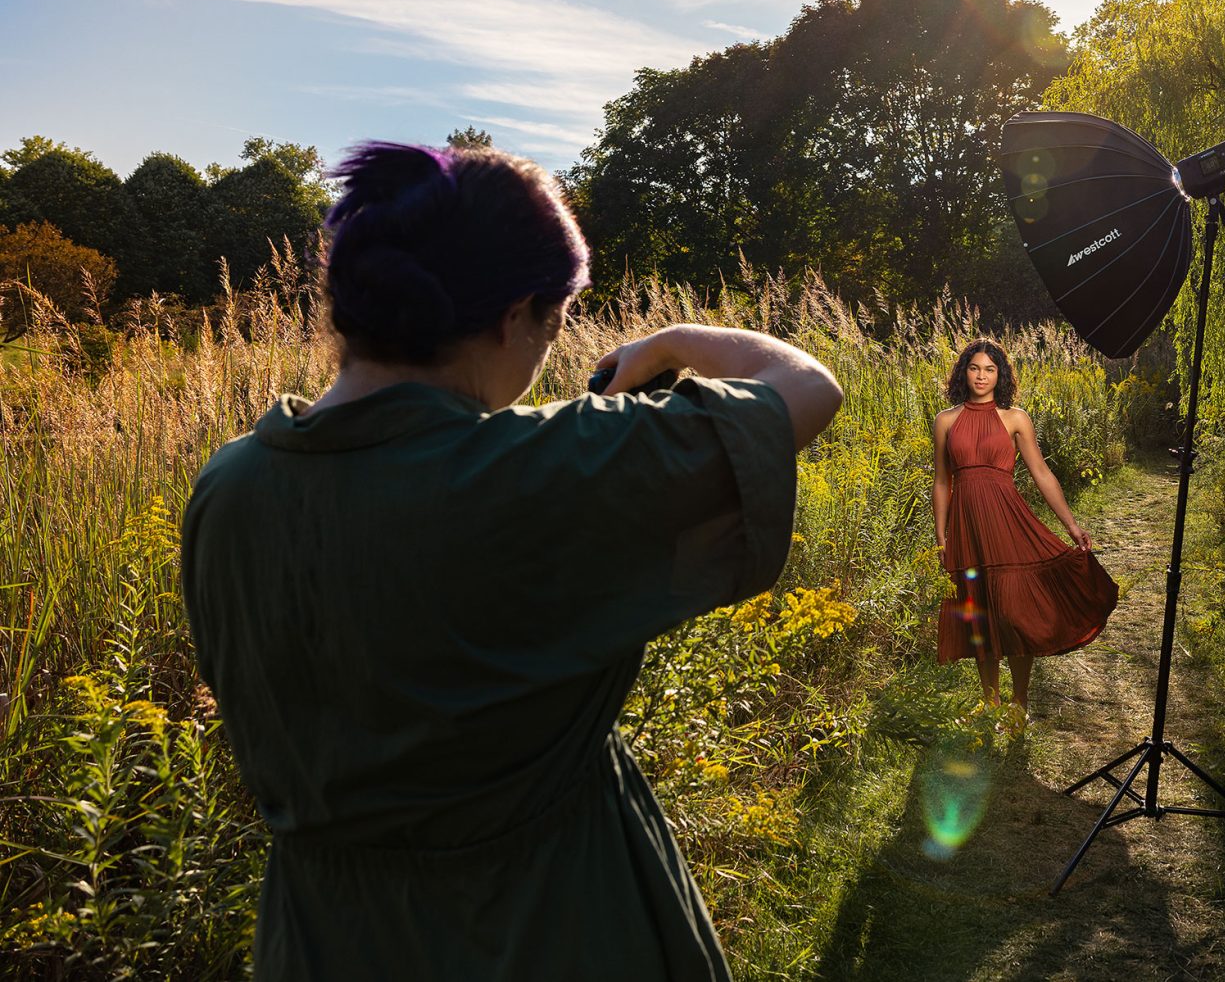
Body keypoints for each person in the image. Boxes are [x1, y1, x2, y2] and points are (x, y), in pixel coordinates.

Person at [180, 141, 842, 981]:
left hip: (319, 937)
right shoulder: (540, 468)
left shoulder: (229, 484)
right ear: (513, 314)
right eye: (554, 320)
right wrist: (671, 341)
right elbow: (807, 387)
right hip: (550, 924)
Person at [931, 338, 1118, 718]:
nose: (981, 376)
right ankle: (990, 702)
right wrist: (941, 537)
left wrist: (1072, 526)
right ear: (963, 372)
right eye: (974, 368)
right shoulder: (945, 420)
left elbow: (1041, 473)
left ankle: (1019, 702)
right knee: (979, 614)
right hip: (966, 528)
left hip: (1007, 522)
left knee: (1014, 614)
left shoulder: (1015, 418)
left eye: (989, 369)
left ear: (1000, 375)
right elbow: (941, 482)